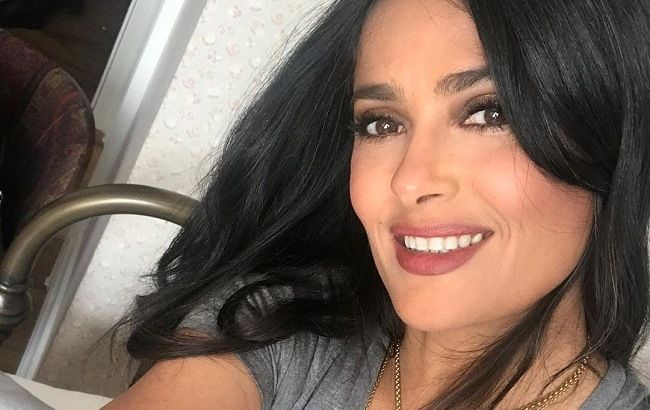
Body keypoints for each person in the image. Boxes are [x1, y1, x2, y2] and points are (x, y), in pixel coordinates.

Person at [105, 0, 650, 408]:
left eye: (489, 113)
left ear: (610, 144)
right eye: (381, 124)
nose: (409, 180)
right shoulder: (276, 325)